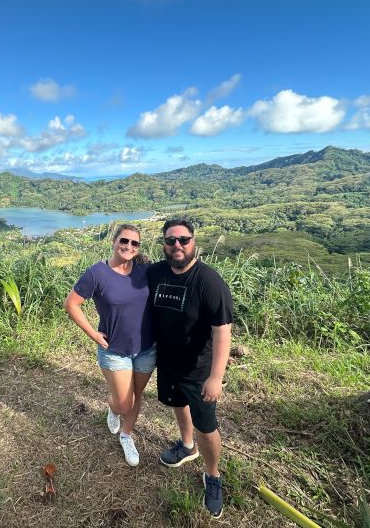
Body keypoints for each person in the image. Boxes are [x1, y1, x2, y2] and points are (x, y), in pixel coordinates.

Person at [147, 219, 234, 519]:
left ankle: (212, 476)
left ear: (193, 241)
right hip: (168, 362)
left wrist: (216, 377)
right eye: (171, 241)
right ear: (164, 244)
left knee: (206, 426)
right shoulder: (156, 272)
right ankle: (187, 446)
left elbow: (223, 330)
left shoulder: (208, 281)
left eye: (183, 239)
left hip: (199, 369)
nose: (177, 245)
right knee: (177, 403)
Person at [64, 224, 155, 467]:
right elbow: (71, 304)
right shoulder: (97, 273)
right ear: (113, 242)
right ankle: (113, 408)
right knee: (124, 402)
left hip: (147, 348)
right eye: (124, 241)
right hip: (115, 350)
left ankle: (127, 435)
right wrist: (93, 334)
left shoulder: (144, 269)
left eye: (135, 243)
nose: (128, 246)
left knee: (137, 396)